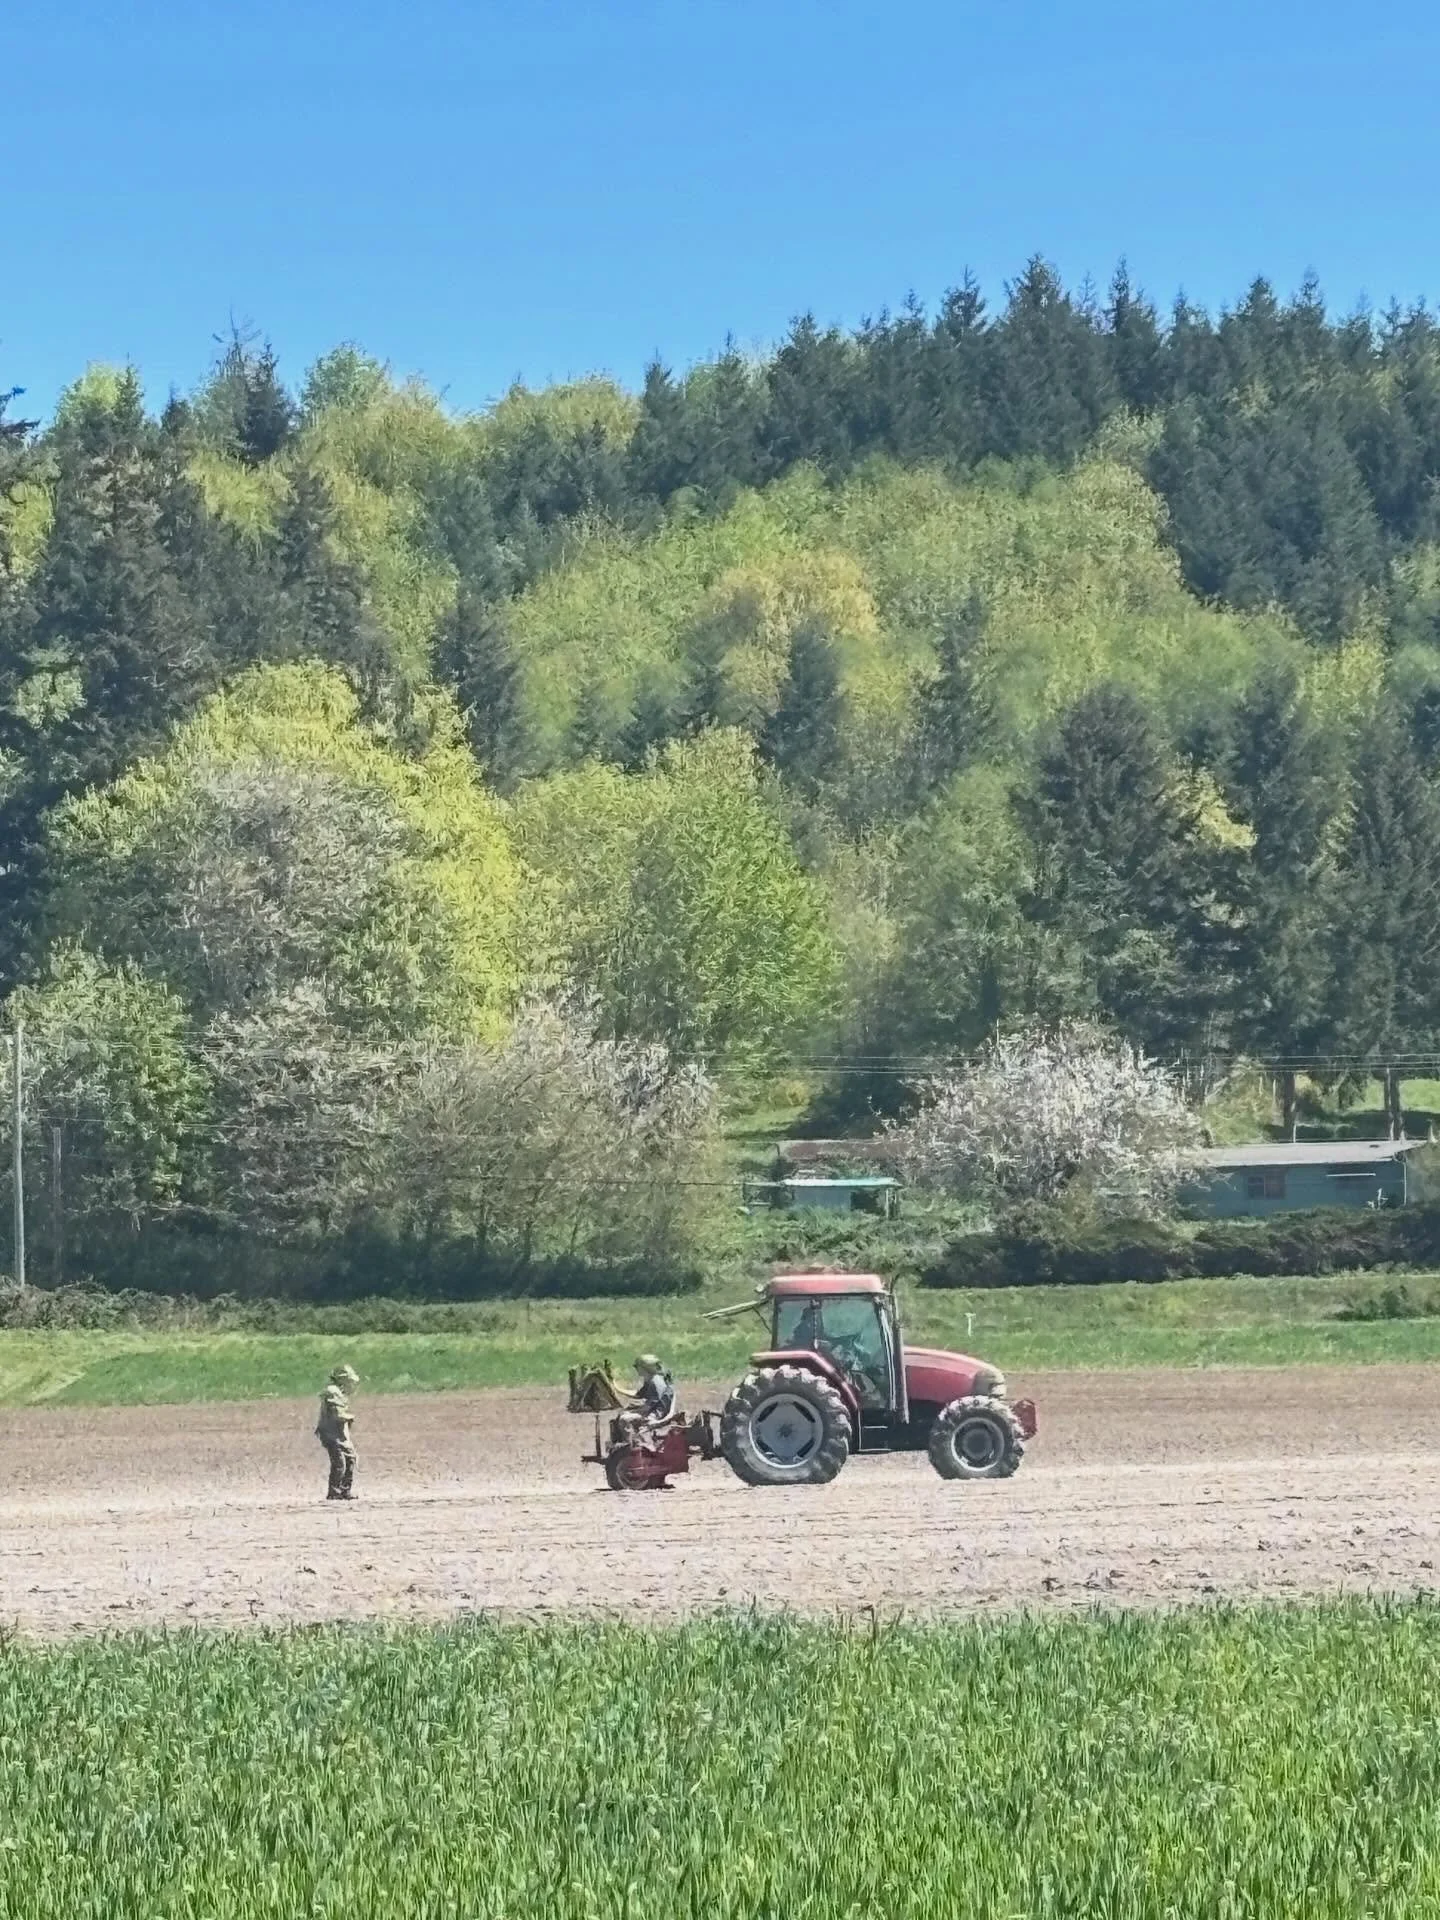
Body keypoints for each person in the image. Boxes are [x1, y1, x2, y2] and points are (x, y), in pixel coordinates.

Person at [316, 1364, 359, 1501]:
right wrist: (349, 1417)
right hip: (331, 1434)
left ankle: (345, 1490)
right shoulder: (332, 1392)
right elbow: (336, 1414)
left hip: (340, 1434)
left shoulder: (339, 1393)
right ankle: (334, 1491)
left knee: (350, 1459)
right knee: (340, 1462)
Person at [620, 1353, 676, 1436]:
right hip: (654, 1410)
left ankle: (629, 1442)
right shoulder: (650, 1379)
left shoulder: (655, 1382)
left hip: (656, 1414)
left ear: (644, 1367)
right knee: (625, 1412)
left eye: (637, 1367)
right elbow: (638, 1394)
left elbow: (650, 1405)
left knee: (624, 1418)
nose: (636, 1369)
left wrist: (635, 1411)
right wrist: (618, 1389)